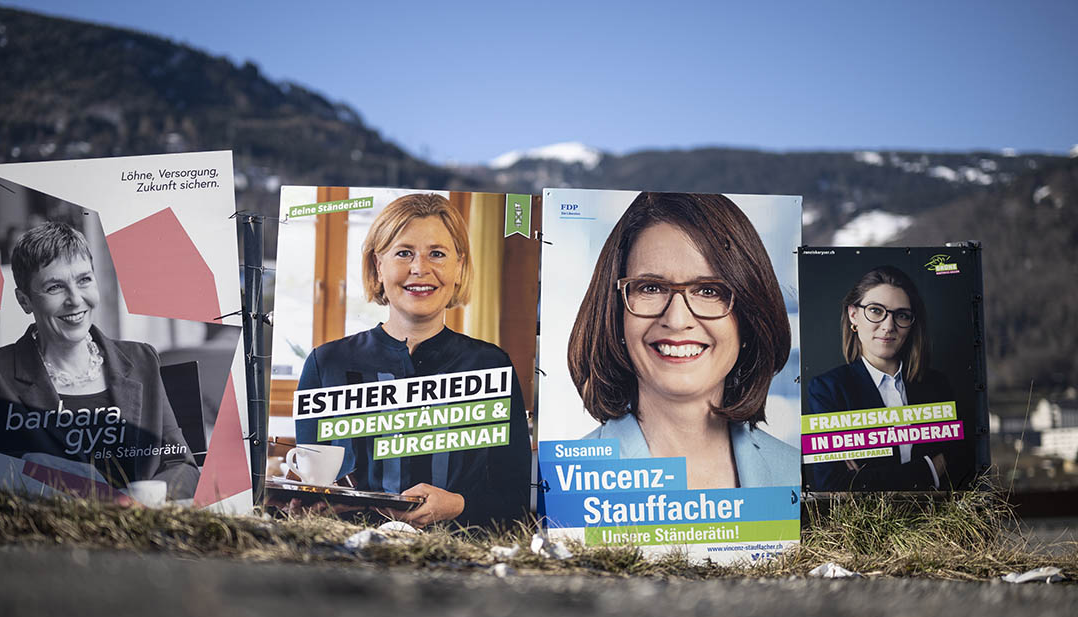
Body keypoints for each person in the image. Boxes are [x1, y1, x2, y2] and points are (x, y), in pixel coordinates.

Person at [295, 193, 532, 528]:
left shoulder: (490, 366)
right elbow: (310, 489)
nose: (420, 269)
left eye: (437, 254)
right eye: (404, 253)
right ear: (379, 266)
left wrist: (460, 504)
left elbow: (517, 496)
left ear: (459, 267)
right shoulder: (325, 364)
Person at [568, 192, 798, 489]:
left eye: (709, 290)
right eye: (650, 288)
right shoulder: (568, 480)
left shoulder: (795, 473)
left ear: (749, 317)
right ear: (615, 314)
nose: (677, 320)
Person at [0, 222, 200, 499]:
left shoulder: (142, 359)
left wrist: (149, 496)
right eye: (54, 287)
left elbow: (182, 464)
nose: (75, 300)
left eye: (84, 280)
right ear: (24, 301)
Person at [805, 265, 971, 491]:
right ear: (853, 315)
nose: (888, 326)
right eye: (876, 311)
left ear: (912, 324)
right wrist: (930, 468)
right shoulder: (827, 390)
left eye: (901, 315)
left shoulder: (937, 386)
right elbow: (832, 485)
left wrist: (867, 477)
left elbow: (961, 467)